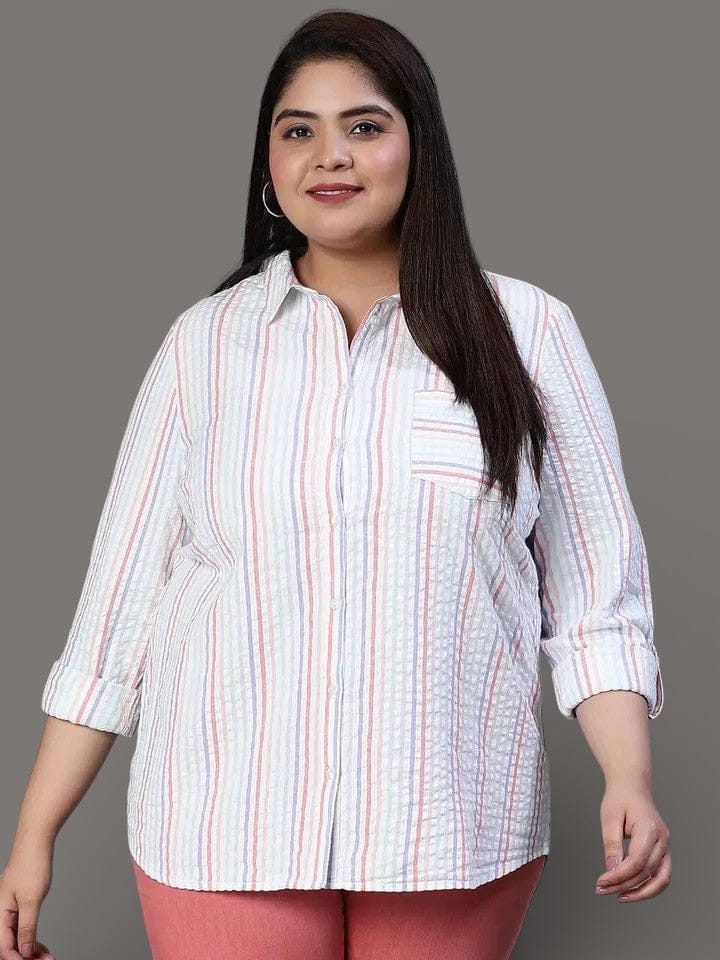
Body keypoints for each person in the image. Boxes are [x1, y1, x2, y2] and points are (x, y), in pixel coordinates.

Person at [1, 9, 671, 960]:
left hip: (450, 829)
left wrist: (629, 778)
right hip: (221, 823)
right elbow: (116, 618)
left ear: (418, 148)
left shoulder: (529, 333)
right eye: (298, 130)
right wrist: (34, 835)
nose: (331, 156)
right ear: (269, 164)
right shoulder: (205, 346)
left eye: (364, 125)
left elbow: (598, 599)